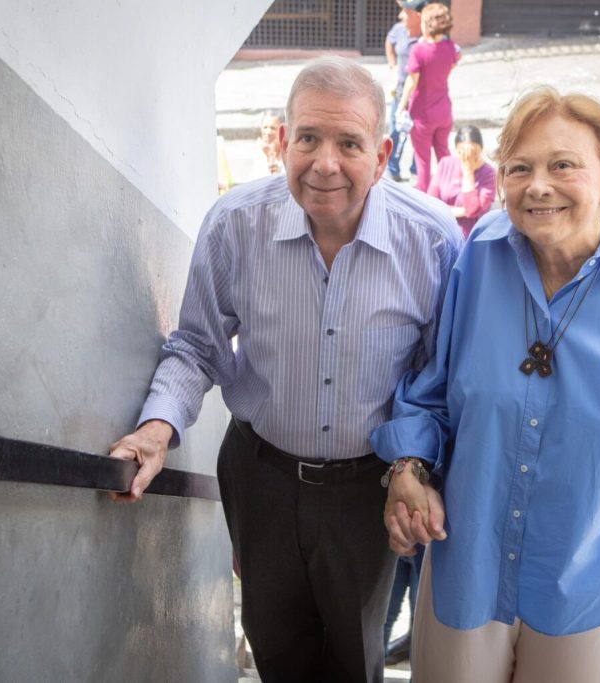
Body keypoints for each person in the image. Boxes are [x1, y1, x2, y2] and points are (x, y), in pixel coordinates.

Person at [109, 57, 462, 683]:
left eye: (349, 143)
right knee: (275, 649)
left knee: (356, 658)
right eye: (308, 138)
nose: (325, 162)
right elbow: (196, 346)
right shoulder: (234, 224)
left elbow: (437, 379)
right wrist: (157, 428)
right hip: (261, 478)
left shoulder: (431, 241)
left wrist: (415, 468)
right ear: (281, 141)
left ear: (380, 154)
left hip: (370, 491)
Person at [371, 86, 600, 683]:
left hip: (590, 575)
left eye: (563, 165)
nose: (538, 185)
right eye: (519, 168)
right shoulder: (477, 257)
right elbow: (431, 393)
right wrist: (407, 469)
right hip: (468, 558)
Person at [396, 2, 460, 193]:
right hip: (443, 110)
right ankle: (448, 192)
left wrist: (400, 106)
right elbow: (457, 58)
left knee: (422, 159)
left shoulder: (419, 50)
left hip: (422, 113)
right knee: (443, 154)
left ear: (427, 24)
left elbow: (411, 81)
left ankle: (424, 197)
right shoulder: (450, 48)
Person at [427, 125, 496, 238]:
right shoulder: (445, 164)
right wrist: (463, 212)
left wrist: (468, 172)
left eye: (473, 153)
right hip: (442, 232)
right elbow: (431, 204)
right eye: (463, 153)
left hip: (470, 237)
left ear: (481, 149)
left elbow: (472, 208)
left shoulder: (489, 174)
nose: (468, 157)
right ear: (456, 150)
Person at [384, 0, 425, 182]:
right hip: (401, 89)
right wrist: (392, 64)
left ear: (417, 15)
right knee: (394, 129)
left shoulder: (428, 36)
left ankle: (417, 172)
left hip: (421, 92)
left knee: (418, 132)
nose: (400, 15)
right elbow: (389, 43)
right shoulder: (399, 29)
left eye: (405, 11)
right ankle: (392, 170)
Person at [257, 110, 283, 176]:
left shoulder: (288, 156)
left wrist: (271, 158)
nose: (268, 132)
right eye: (265, 127)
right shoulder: (258, 151)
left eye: (273, 128)